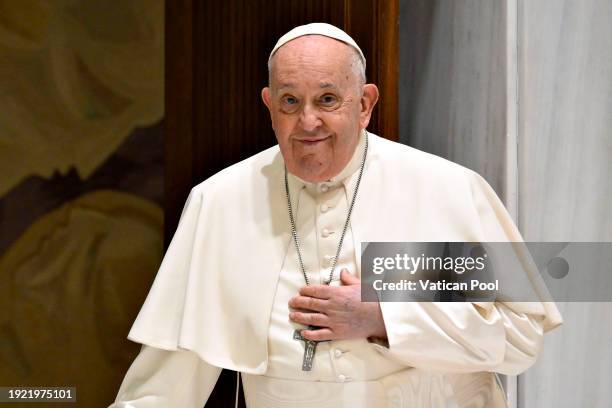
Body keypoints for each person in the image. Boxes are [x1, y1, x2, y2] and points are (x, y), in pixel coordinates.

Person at [110, 23, 562, 407]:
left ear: (365, 104)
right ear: (269, 105)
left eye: (328, 99)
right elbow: (168, 381)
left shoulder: (448, 190)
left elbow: (522, 337)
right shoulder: (220, 201)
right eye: (290, 101)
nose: (308, 122)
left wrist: (384, 317)